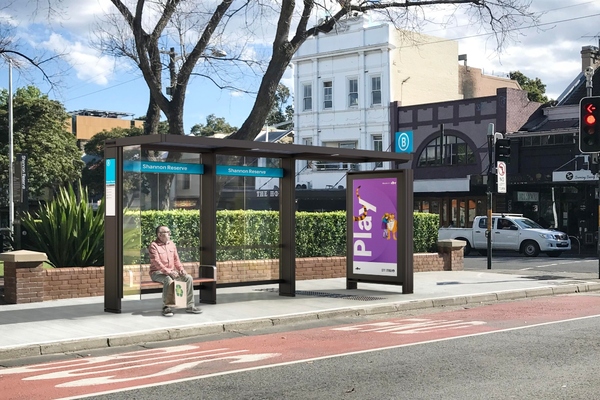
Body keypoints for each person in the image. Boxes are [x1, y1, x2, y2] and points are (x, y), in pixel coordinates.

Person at [148, 225, 202, 317]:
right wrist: (168, 272)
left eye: (169, 232)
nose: (169, 234)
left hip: (172, 272)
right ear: (159, 235)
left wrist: (181, 269)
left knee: (188, 278)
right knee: (168, 279)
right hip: (157, 273)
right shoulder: (154, 246)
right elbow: (156, 262)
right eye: (167, 232)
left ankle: (190, 306)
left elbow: (176, 260)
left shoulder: (171, 244)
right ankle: (166, 307)